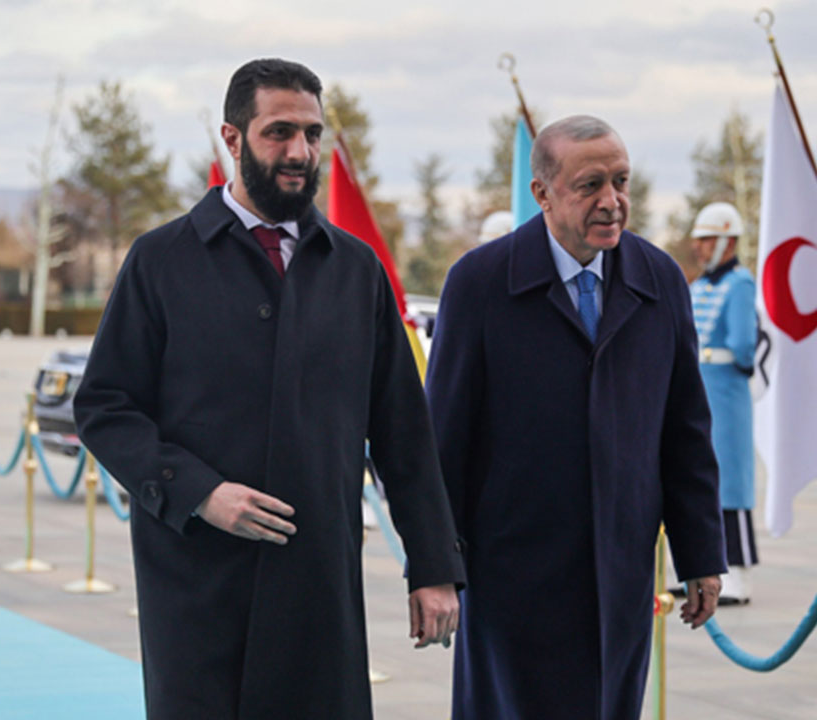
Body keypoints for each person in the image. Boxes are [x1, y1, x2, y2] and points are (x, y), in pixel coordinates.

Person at [74, 58, 464, 719]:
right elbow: (105, 408)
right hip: (196, 587)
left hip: (318, 588)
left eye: (313, 135)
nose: (300, 152)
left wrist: (433, 565)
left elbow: (403, 431)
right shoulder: (160, 260)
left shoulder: (357, 271)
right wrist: (200, 492)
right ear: (231, 139)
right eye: (279, 132)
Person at [425, 115, 726, 720]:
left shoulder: (660, 280)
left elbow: (684, 431)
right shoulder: (480, 283)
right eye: (590, 185)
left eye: (621, 182)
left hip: (620, 577)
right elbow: (442, 441)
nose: (612, 202)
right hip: (512, 577)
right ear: (542, 193)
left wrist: (701, 554)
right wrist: (434, 568)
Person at [689, 202, 758, 605]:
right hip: (700, 387)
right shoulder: (699, 286)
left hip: (727, 391)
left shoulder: (740, 284)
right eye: (699, 240)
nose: (700, 248)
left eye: (708, 239)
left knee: (731, 481)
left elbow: (745, 345)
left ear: (728, 241)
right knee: (700, 476)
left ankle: (739, 569)